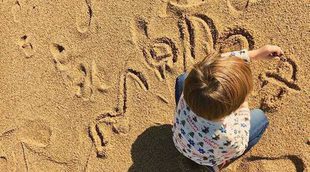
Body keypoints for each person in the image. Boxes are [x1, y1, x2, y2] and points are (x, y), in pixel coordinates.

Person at [172, 45, 284, 171]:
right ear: (233, 109)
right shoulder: (230, 135)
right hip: (209, 157)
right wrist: (243, 105)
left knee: (183, 78)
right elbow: (240, 146)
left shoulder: (189, 94)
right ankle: (215, 166)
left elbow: (215, 63)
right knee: (260, 117)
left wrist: (253, 54)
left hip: (181, 143)